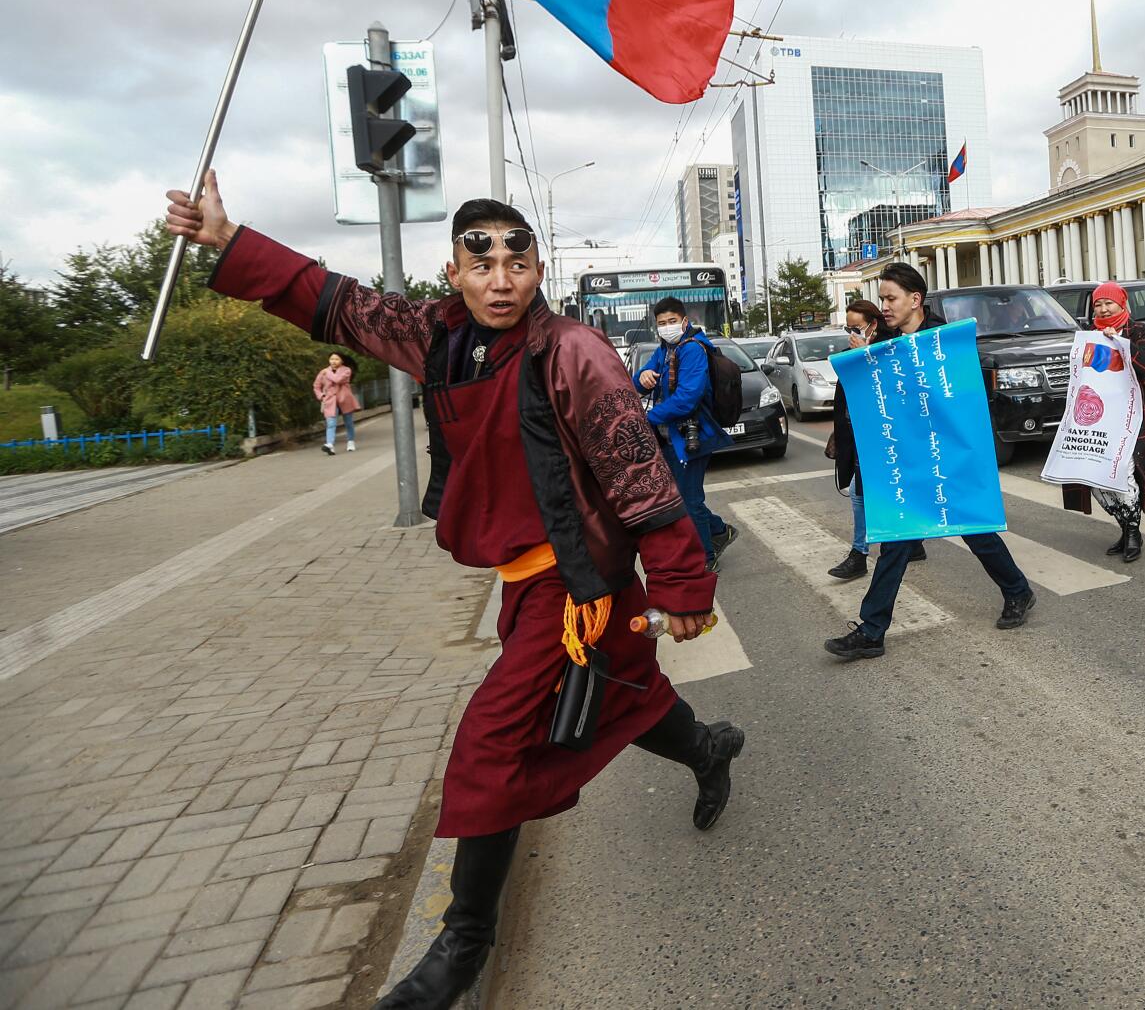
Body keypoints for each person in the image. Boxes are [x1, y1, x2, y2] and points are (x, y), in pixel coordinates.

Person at [164, 176, 744, 1010]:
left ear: (539, 268)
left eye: (518, 261)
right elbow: (336, 303)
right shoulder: (435, 338)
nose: (501, 279)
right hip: (525, 586)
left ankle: (464, 945)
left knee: (489, 743)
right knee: (629, 696)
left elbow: (640, 474)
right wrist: (227, 239)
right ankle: (709, 748)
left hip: (576, 588)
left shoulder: (573, 351)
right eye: (483, 264)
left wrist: (685, 583)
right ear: (454, 272)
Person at [824, 263, 1038, 660]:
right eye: (883, 298)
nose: (884, 306)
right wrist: (865, 362)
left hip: (947, 458)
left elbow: (961, 401)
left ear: (915, 300)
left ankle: (1017, 591)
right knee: (895, 545)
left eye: (891, 298)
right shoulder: (884, 344)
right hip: (908, 465)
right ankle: (872, 630)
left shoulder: (944, 343)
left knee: (976, 532)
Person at [1059, 282, 1145, 561]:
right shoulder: (1089, 336)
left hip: (1133, 416)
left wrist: (1120, 344)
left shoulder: (1138, 331)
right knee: (1094, 476)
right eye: (1098, 304)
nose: (1104, 308)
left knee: (1125, 471)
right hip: (1098, 418)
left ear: (1122, 305)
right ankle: (1125, 526)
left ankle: (1133, 532)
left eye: (1109, 303)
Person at [828, 300, 926, 580]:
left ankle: (861, 554)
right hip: (861, 432)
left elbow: (891, 389)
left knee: (866, 492)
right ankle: (909, 544)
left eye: (856, 326)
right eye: (848, 327)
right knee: (865, 491)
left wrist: (866, 355)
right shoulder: (858, 349)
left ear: (872, 323)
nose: (852, 333)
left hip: (887, 436)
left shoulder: (887, 348)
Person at [636, 297, 736, 569]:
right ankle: (718, 530)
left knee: (689, 499)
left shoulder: (692, 349)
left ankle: (705, 558)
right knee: (681, 496)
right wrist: (643, 375)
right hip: (672, 436)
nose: (667, 327)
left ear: (684, 321)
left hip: (693, 435)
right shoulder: (666, 349)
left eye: (671, 322)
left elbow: (687, 398)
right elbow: (639, 382)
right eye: (661, 323)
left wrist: (647, 418)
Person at [314, 350, 360, 454]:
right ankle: (330, 445)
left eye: (336, 359)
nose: (333, 361)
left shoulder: (346, 370)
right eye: (331, 359)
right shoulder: (323, 372)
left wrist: (328, 373)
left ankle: (350, 441)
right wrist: (321, 396)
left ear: (342, 361)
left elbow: (338, 380)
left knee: (348, 422)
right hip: (330, 401)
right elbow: (316, 386)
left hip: (345, 399)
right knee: (331, 423)